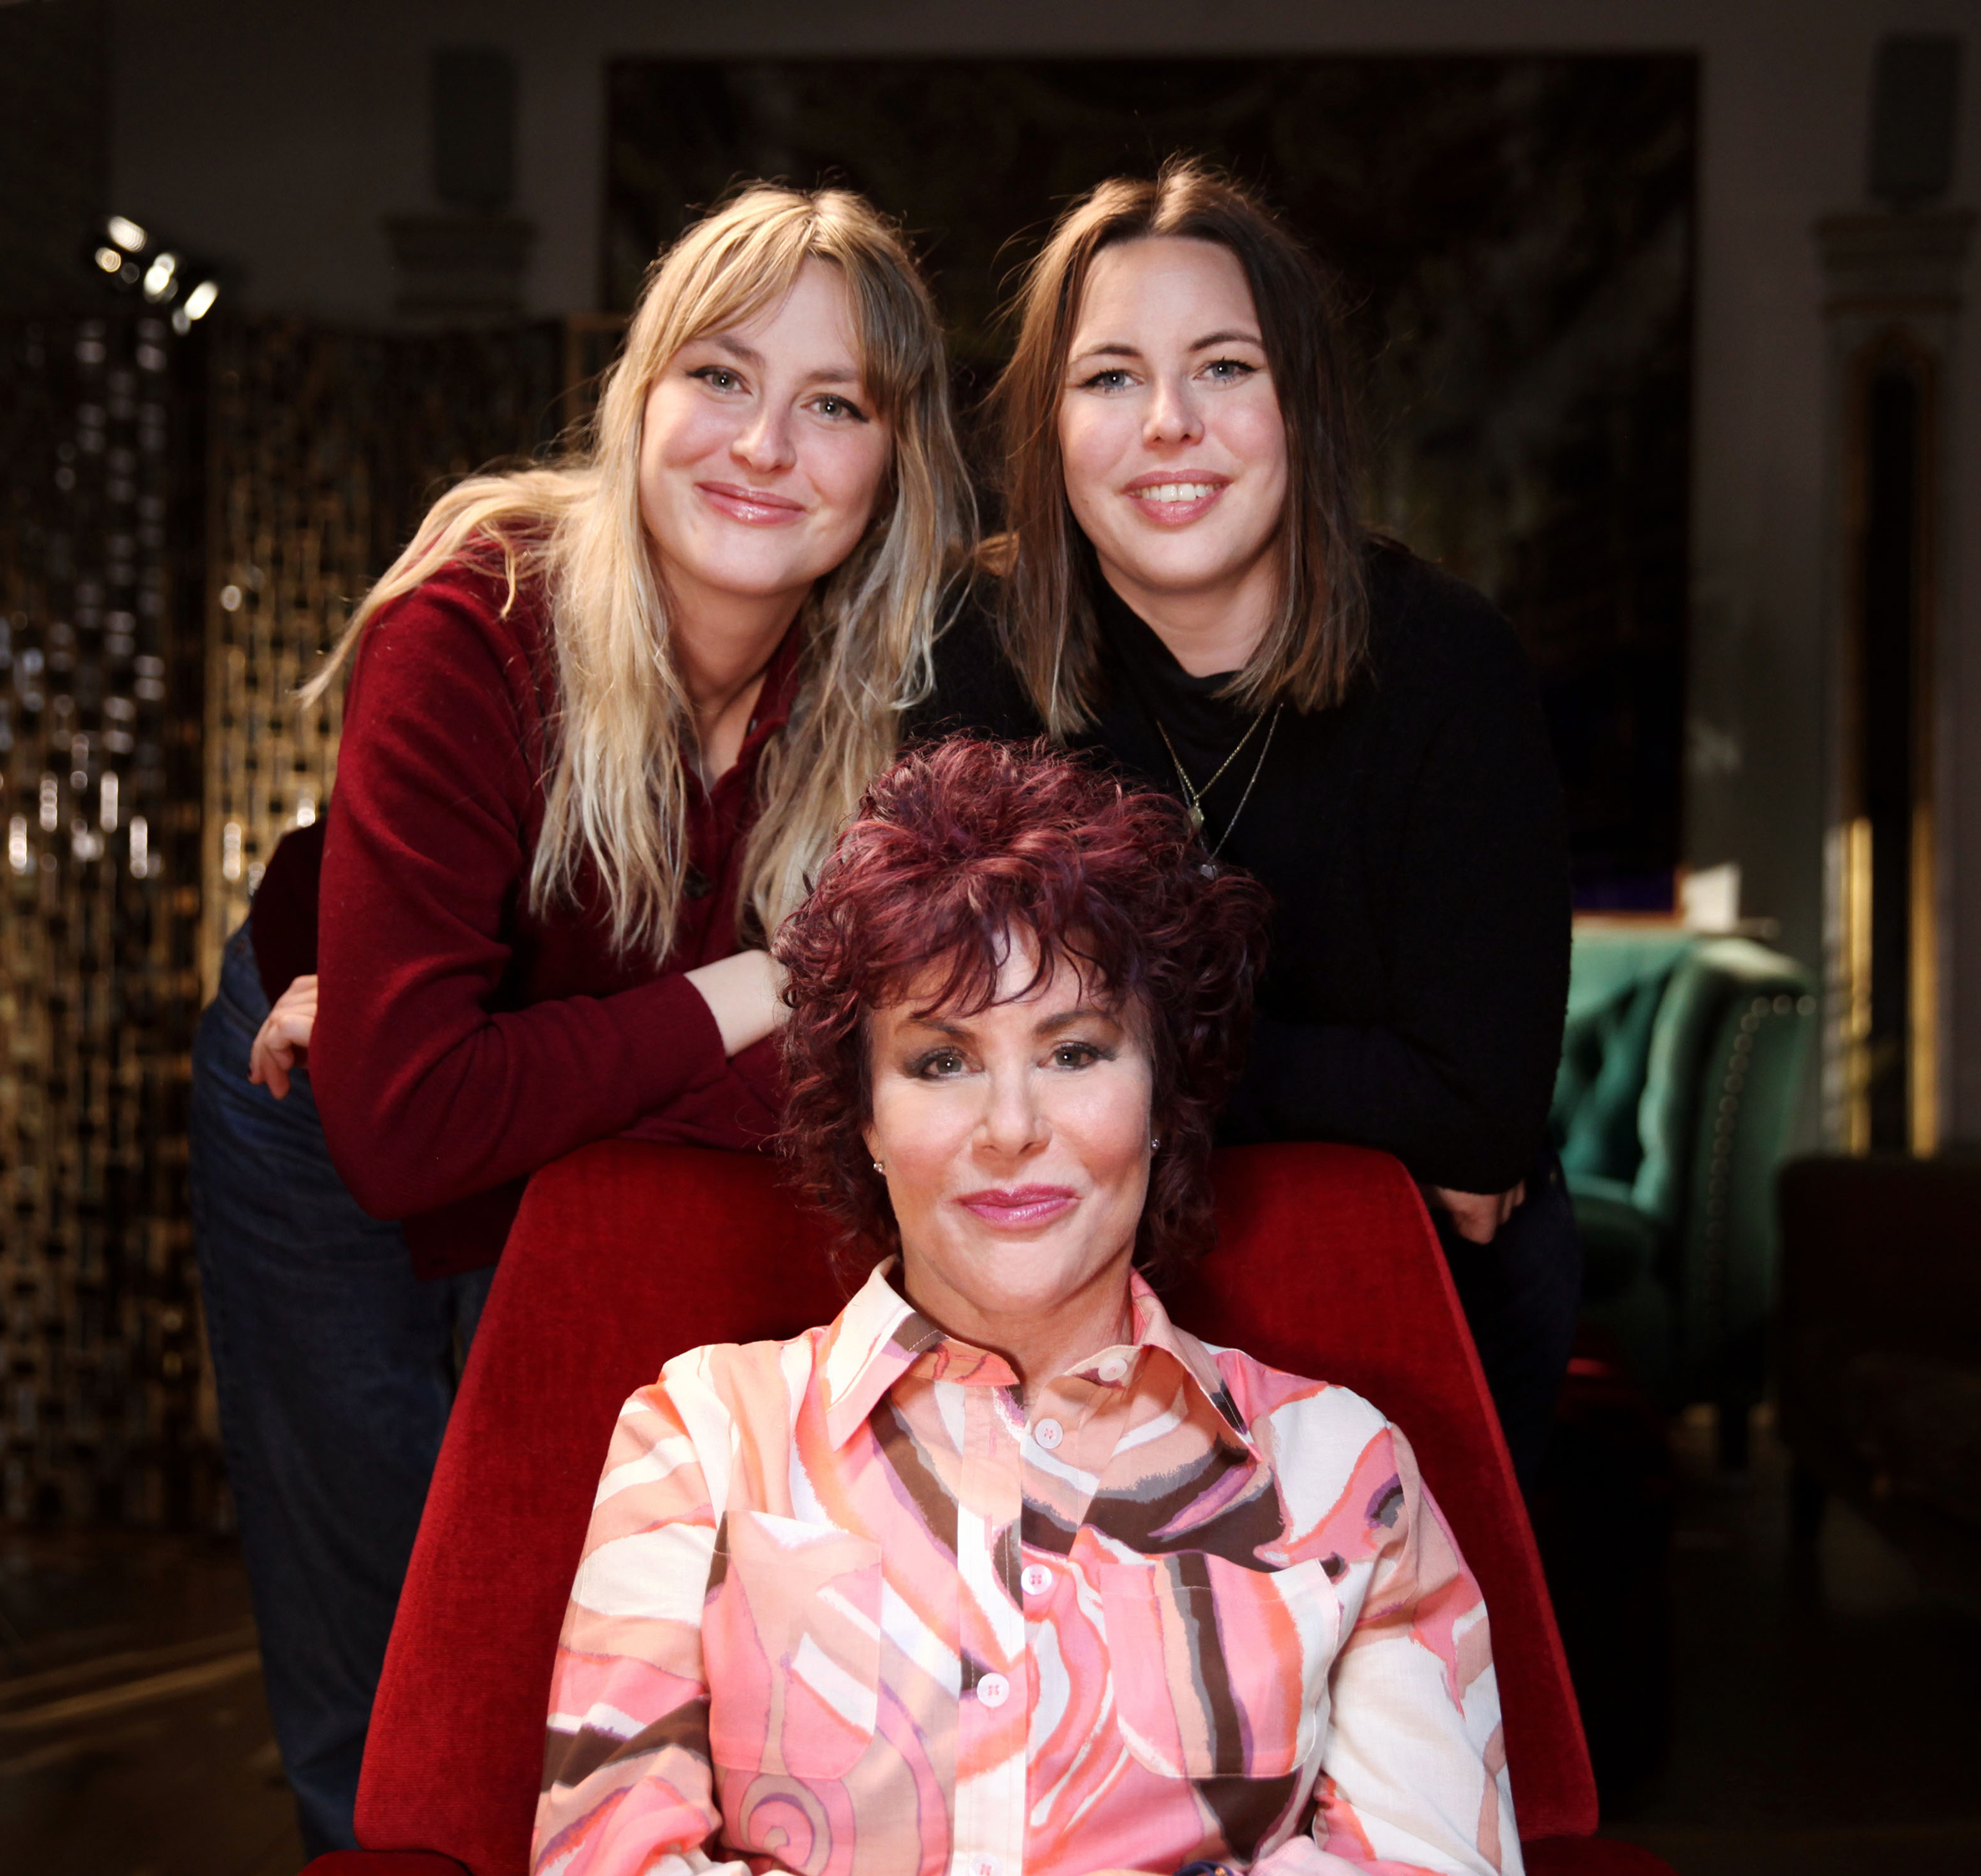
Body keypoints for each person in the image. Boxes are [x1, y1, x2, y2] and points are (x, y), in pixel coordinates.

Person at [186, 182, 972, 1854]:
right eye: (719, 375)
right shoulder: (476, 618)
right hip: (318, 1112)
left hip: (515, 1094)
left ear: (894, 460)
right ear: (636, 395)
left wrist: (487, 1058)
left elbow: (866, 1089)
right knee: (385, 1632)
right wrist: (766, 989)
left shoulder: (907, 689)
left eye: (832, 403)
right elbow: (399, 1131)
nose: (764, 444)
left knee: (580, 1596)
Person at [530, 737, 1522, 1876]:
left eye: (1074, 1050)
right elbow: (603, 1861)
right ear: (864, 1115)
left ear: (1161, 1097)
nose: (1009, 1128)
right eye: (941, 1062)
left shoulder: (1341, 1470)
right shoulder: (699, 1438)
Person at [913, 161, 1578, 1483]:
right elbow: (957, 1052)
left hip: (1418, 1309)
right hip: (1059, 1300)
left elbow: (1477, 1108)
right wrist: (1351, 1092)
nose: (1168, 422)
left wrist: (1105, 1053)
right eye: (1108, 377)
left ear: (1302, 406)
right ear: (1049, 426)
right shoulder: (969, 654)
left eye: (1223, 367)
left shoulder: (1445, 662)